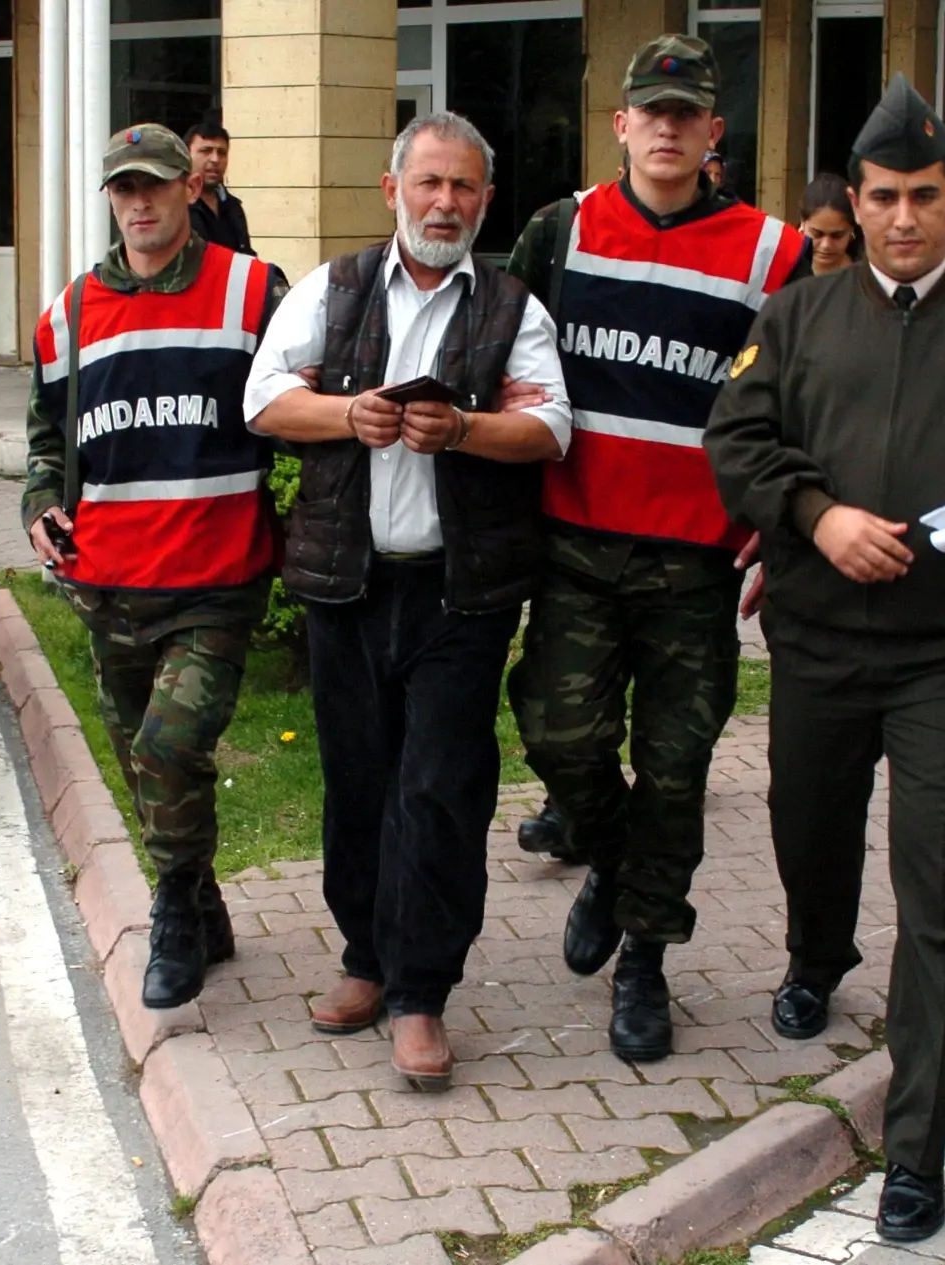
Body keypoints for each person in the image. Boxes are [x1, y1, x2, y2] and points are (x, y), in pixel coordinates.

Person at [704, 76, 945, 1242]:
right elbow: (737, 441)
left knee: (941, 895)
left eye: (925, 195)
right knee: (809, 829)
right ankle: (816, 953)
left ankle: (917, 1145)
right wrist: (817, 515)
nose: (904, 217)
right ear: (857, 202)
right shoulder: (797, 318)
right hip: (820, 641)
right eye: (883, 197)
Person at [243, 112, 571, 1092]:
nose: (444, 203)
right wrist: (347, 413)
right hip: (346, 583)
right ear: (392, 190)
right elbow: (262, 399)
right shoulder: (333, 288)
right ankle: (365, 958)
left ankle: (421, 990)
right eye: (429, 182)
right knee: (357, 779)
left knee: (439, 786)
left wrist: (465, 428)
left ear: (486, 200)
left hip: (460, 592)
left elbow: (552, 427)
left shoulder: (513, 306)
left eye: (463, 186)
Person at [506, 35, 810, 1065]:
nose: (668, 129)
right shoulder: (560, 231)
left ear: (713, 130)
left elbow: (803, 401)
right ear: (622, 124)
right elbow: (496, 356)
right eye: (652, 112)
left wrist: (783, 515)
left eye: (687, 115)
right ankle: (609, 852)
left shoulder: (774, 253)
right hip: (577, 549)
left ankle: (645, 956)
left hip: (695, 564)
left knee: (676, 771)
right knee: (560, 737)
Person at [22, 124, 287, 1011]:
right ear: (111, 198)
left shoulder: (252, 290)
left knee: (168, 748)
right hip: (110, 586)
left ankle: (172, 910)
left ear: (189, 190)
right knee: (142, 765)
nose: (141, 203)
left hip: (216, 580)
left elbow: (301, 408)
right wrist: (39, 504)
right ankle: (204, 902)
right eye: (125, 188)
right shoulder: (68, 314)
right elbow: (47, 440)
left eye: (157, 185)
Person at [185, 119, 255, 255]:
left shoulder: (233, 206)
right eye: (206, 151)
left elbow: (245, 256)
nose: (215, 159)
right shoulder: (176, 207)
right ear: (187, 155)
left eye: (222, 153)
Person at [800, 172, 860, 275]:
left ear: (851, 229)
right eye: (817, 234)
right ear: (803, 223)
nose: (826, 245)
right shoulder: (782, 271)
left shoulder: (867, 278)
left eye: (837, 236)